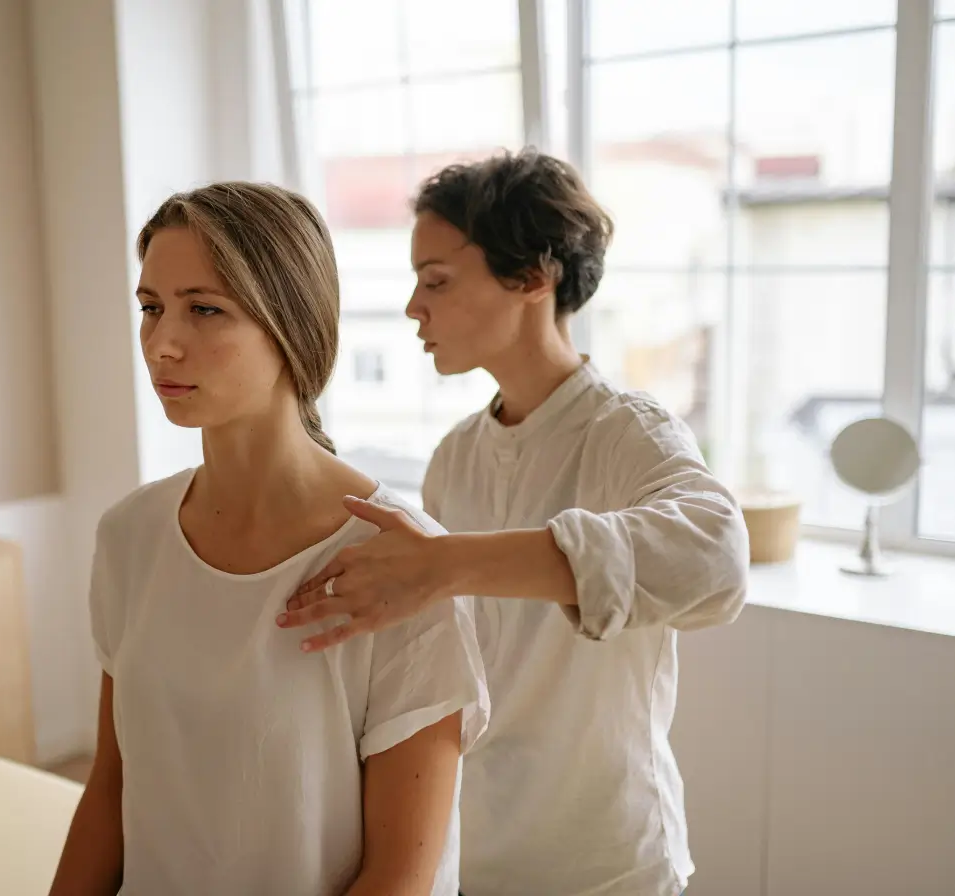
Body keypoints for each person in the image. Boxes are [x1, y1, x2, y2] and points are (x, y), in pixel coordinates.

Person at [278, 149, 750, 895]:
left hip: (606, 862)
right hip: (477, 848)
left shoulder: (628, 434)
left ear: (533, 277)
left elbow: (715, 560)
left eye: (435, 280)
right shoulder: (454, 458)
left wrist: (448, 563)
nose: (412, 308)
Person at [48, 182, 489, 896]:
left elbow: (399, 878)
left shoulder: (400, 564)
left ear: (290, 323)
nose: (161, 343)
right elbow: (111, 790)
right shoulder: (129, 536)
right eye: (151, 307)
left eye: (204, 310)